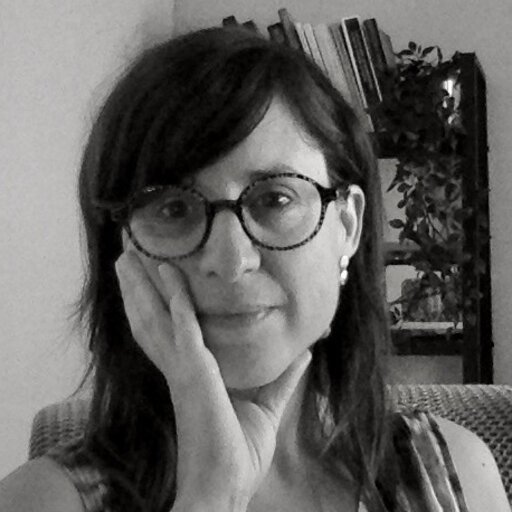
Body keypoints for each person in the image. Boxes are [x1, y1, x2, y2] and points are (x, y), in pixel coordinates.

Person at [0, 25, 509, 512]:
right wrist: (210, 496)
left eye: (275, 199)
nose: (231, 261)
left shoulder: (458, 474)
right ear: (120, 250)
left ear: (348, 226)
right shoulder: (41, 501)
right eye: (173, 209)